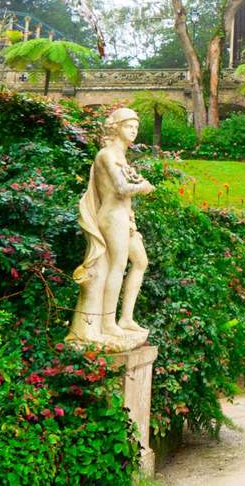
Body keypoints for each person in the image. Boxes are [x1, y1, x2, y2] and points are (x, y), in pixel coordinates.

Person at [66, 108, 154, 350]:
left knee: (140, 262)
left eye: (136, 126)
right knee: (117, 266)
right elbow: (121, 188)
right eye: (129, 126)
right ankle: (107, 322)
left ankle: (125, 318)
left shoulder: (120, 155)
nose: (134, 130)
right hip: (112, 216)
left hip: (124, 217)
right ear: (115, 128)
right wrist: (143, 186)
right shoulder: (106, 154)